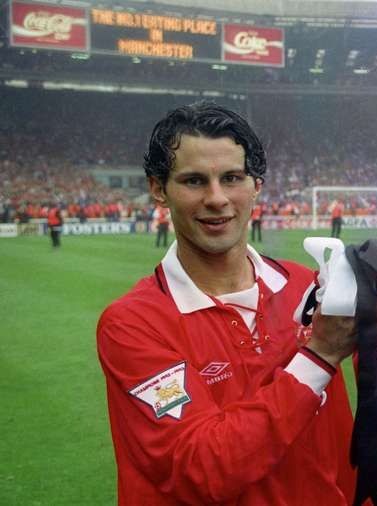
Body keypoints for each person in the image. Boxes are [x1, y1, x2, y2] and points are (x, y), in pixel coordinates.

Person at [96, 102, 361, 505]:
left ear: (256, 184)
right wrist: (319, 356)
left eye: (232, 178)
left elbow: (339, 438)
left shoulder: (306, 286)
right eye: (194, 181)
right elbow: (202, 467)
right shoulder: (132, 324)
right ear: (158, 189)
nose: (216, 198)